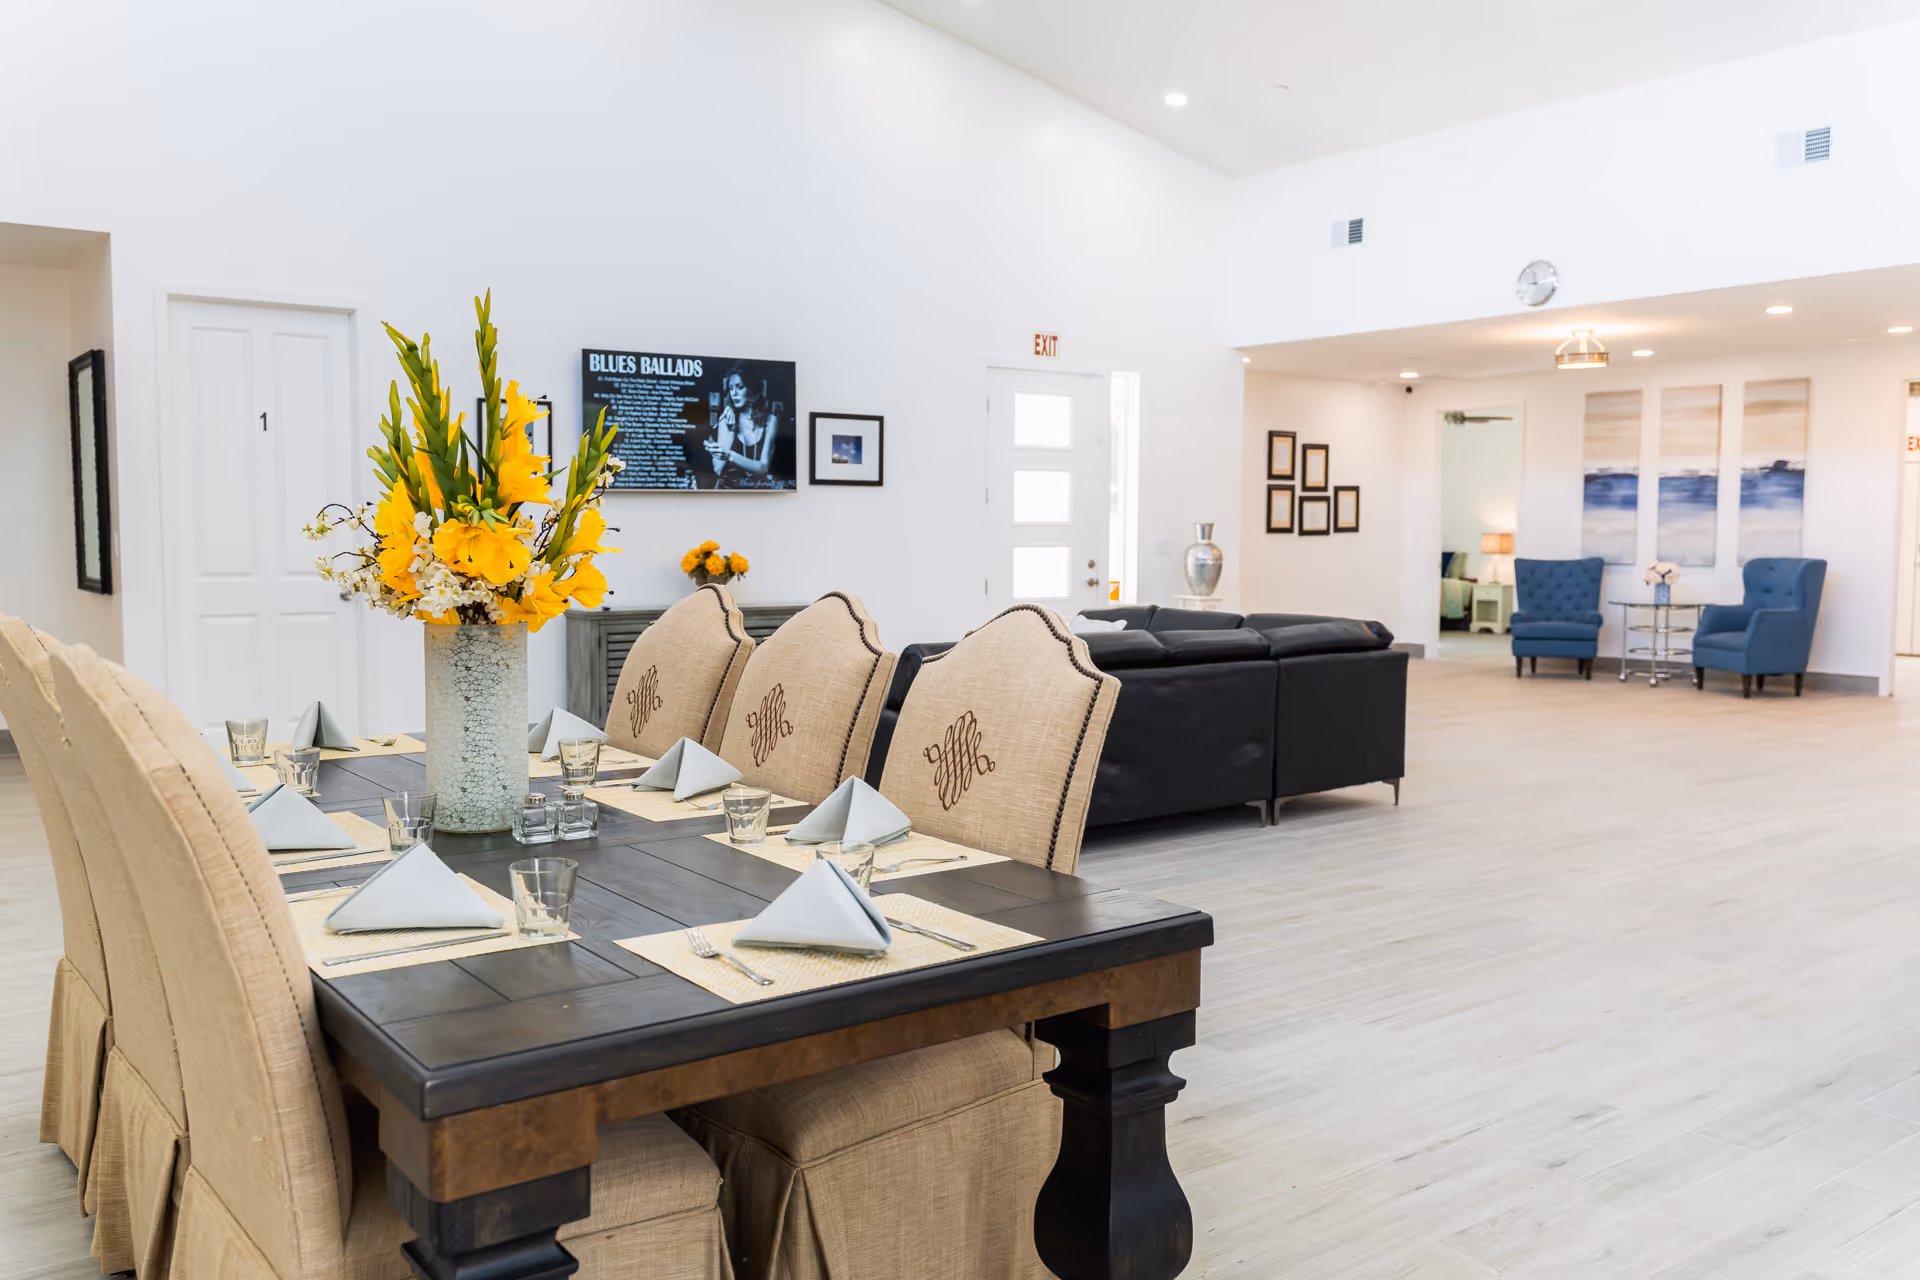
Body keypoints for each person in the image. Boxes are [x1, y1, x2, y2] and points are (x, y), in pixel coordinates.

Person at [706, 365, 776, 484]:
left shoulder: (770, 420)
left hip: (758, 494)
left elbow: (764, 467)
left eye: (740, 387)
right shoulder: (725, 420)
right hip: (728, 492)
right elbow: (718, 469)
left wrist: (729, 455)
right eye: (731, 388)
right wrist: (731, 431)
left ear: (753, 389)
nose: (734, 393)